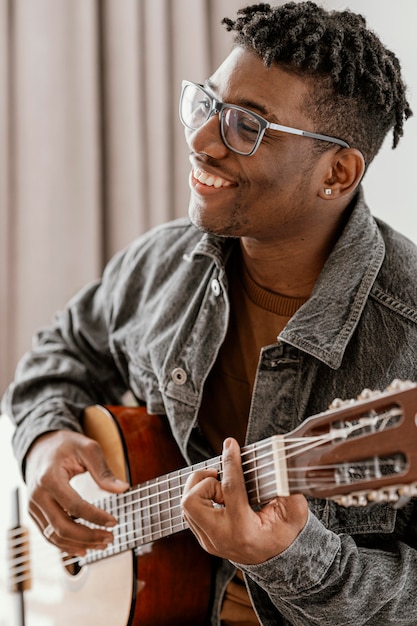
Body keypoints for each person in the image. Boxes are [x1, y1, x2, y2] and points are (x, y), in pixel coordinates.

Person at [2, 2, 416, 624]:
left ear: (338, 172)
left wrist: (294, 558)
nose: (200, 141)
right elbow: (60, 351)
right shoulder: (165, 262)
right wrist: (43, 440)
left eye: (247, 126)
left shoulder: (406, 331)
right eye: (207, 105)